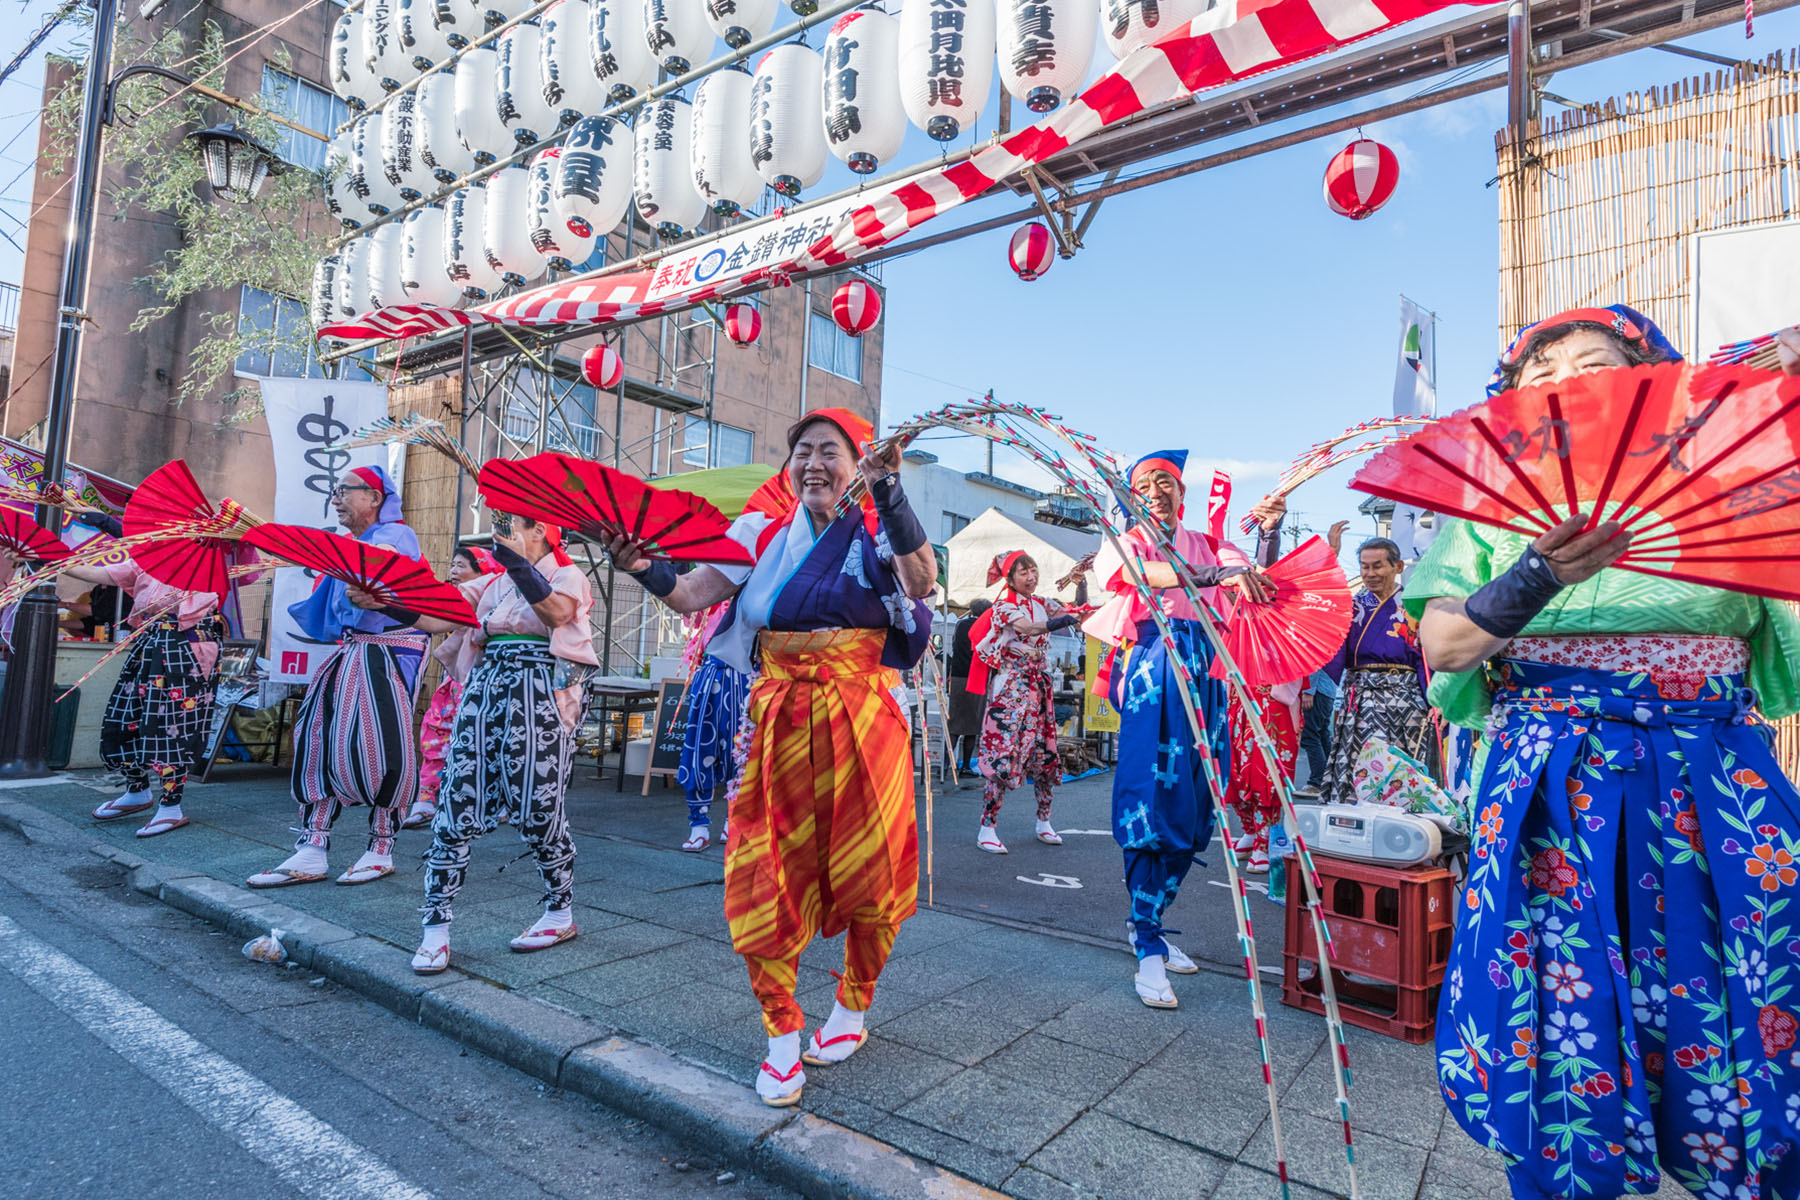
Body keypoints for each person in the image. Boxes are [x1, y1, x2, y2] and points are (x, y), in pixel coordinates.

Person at [1416, 308, 1800, 1200]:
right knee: (1557, 1003)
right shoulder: (1493, 506)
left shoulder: (1733, 483)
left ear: (1651, 386)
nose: (1572, 384)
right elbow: (1443, 645)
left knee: (1749, 987)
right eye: (1544, 377)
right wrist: (1539, 575)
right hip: (1555, 783)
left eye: (1598, 365)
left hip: (1712, 772)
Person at [600, 406, 935, 1108]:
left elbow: (920, 583)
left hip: (863, 715)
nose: (813, 463)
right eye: (803, 451)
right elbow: (694, 592)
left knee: (873, 868)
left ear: (859, 461)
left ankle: (853, 1003)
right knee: (762, 867)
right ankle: (781, 1030)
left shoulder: (878, 522)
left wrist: (891, 491)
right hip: (780, 716)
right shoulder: (760, 530)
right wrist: (644, 567)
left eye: (830, 451)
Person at [1083, 451, 1279, 1009]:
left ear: (1181, 490)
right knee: (1151, 803)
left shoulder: (1207, 539)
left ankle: (1148, 920)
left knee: (1198, 809)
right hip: (1155, 664)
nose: (1155, 490)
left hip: (1208, 672)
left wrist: (1268, 533)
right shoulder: (1125, 542)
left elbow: (1255, 578)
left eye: (1165, 481)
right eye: (1144, 483)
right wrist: (1214, 574)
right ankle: (1147, 944)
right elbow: (1146, 576)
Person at [373, 514, 597, 972]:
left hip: (538, 696)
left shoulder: (567, 574)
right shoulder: (491, 585)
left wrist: (517, 566)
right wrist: (383, 601)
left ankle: (559, 911)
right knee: (456, 801)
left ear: (540, 533)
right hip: (485, 692)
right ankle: (435, 928)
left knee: (538, 808)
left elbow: (556, 614)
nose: (502, 530)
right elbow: (436, 616)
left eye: (515, 524)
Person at [248, 465, 427, 889]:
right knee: (317, 737)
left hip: (388, 651)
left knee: (382, 745)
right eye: (334, 491)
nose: (336, 498)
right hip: (352, 649)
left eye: (344, 491)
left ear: (375, 497)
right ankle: (312, 845)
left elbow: (378, 577)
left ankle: (381, 846)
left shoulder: (395, 536)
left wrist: (340, 565)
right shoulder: (352, 545)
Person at [64, 512, 225, 838]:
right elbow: (98, 573)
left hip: (187, 647)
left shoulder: (207, 556)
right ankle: (137, 790)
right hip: (151, 643)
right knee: (126, 718)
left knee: (172, 726)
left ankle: (171, 806)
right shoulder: (146, 562)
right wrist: (44, 559)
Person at [971, 551, 1085, 852]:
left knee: (1046, 753)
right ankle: (987, 827)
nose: (1030, 577)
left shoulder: (1042, 603)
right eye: (1023, 572)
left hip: (1038, 686)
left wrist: (1080, 584)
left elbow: (1076, 611)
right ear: (1010, 578)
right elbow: (1029, 628)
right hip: (1010, 689)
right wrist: (1071, 616)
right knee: (1003, 754)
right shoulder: (1003, 608)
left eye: (1033, 570)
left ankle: (1044, 821)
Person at [1317, 536, 1434, 803]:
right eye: (1364, 567)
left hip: (1405, 697)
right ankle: (1352, 813)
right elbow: (1334, 648)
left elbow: (1426, 657)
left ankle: (1402, 818)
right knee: (1358, 759)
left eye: (1378, 566)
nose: (1370, 574)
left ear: (1398, 567)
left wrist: (1434, 700)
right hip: (1360, 695)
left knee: (1402, 761)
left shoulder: (1414, 606)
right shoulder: (1352, 606)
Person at [401, 545, 503, 830]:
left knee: (480, 741)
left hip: (484, 680)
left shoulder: (496, 596)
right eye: (453, 564)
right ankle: (427, 798)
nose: (454, 571)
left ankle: (485, 801)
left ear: (482, 570)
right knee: (436, 732)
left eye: (461, 565)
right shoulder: (451, 597)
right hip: (456, 681)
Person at [677, 630, 750, 852]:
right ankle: (698, 826)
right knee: (700, 748)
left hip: (746, 674)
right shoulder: (708, 599)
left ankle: (734, 819)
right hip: (710, 674)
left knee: (741, 749)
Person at [947, 599, 991, 774]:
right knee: (973, 724)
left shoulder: (960, 625)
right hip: (977, 677)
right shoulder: (986, 627)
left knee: (955, 722)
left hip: (957, 676)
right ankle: (965, 766)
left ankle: (947, 764)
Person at [1295, 668, 1338, 797]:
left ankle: (1317, 782)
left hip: (1317, 690)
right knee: (1322, 735)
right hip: (1327, 691)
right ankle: (1327, 779)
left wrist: (1308, 691)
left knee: (1310, 736)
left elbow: (1315, 666)